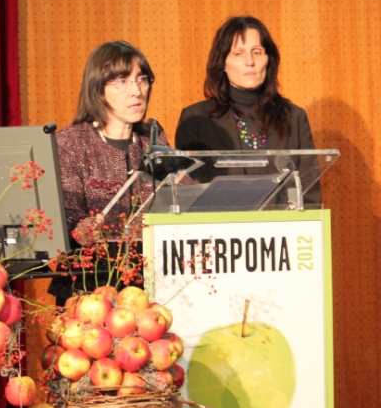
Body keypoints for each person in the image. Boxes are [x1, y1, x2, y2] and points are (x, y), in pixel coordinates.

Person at [49, 41, 170, 302]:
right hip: (89, 283)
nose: (136, 91)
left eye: (142, 79)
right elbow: (66, 209)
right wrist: (80, 226)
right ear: (98, 89)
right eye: (122, 81)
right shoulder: (71, 142)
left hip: (149, 281)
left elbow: (178, 194)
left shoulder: (153, 138)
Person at [174, 16, 319, 202]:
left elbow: (309, 196)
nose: (250, 61)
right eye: (238, 53)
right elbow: (189, 195)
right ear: (222, 63)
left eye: (257, 52)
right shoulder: (196, 119)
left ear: (268, 59)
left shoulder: (294, 117)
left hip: (281, 221)